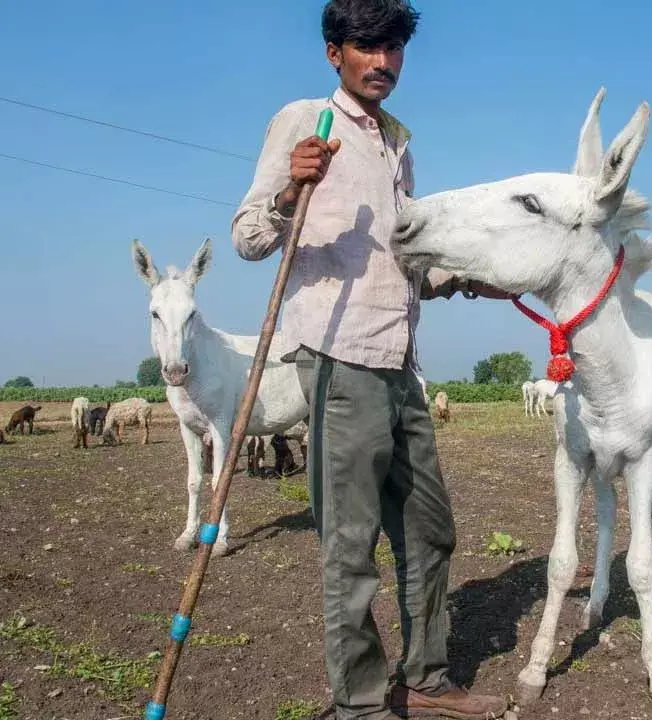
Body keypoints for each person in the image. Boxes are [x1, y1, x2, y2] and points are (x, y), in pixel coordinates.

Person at [231, 1, 511, 718]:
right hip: (337, 355)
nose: (383, 61)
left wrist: (462, 276)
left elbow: (403, 255)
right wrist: (293, 187)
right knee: (350, 544)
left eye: (394, 48)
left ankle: (426, 674)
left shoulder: (395, 142)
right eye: (367, 47)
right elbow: (250, 237)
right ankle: (357, 703)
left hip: (399, 359)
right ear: (334, 53)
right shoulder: (305, 122)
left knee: (429, 526)